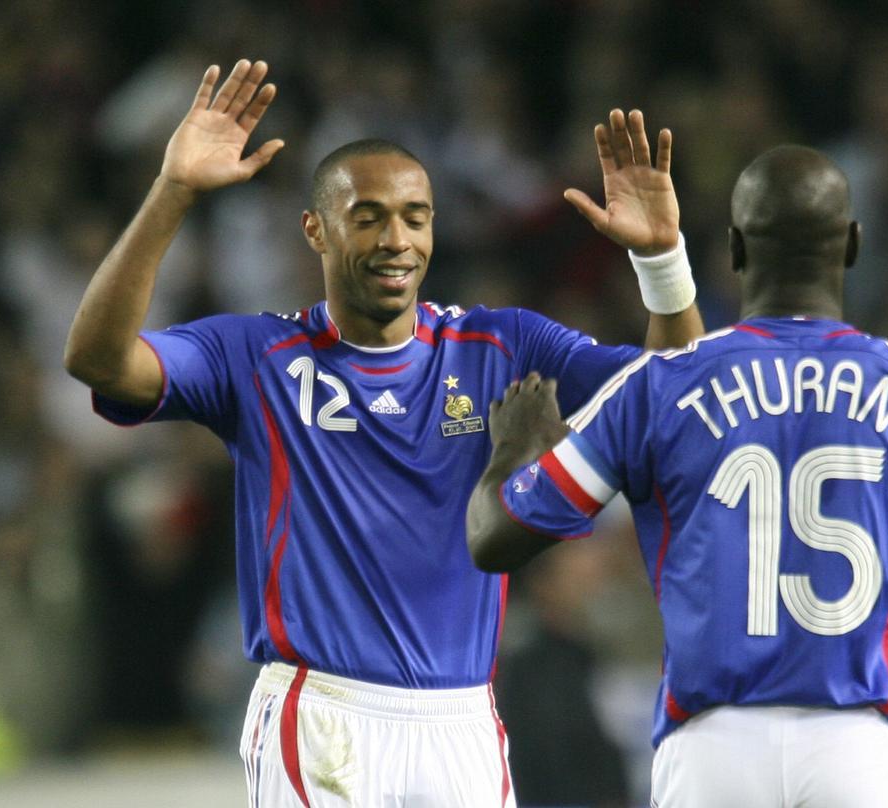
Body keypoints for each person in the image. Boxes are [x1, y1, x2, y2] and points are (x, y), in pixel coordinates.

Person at [63, 58, 704, 807]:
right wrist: (173, 192)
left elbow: (679, 397)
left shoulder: (502, 346)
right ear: (317, 230)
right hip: (323, 715)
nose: (396, 239)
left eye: (415, 216)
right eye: (367, 216)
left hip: (463, 717)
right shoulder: (255, 356)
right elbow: (98, 360)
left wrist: (661, 258)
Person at [467, 144, 888, 807]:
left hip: (710, 751)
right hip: (860, 752)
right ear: (854, 245)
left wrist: (513, 450)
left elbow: (496, 536)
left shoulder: (661, 385)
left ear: (737, 250)